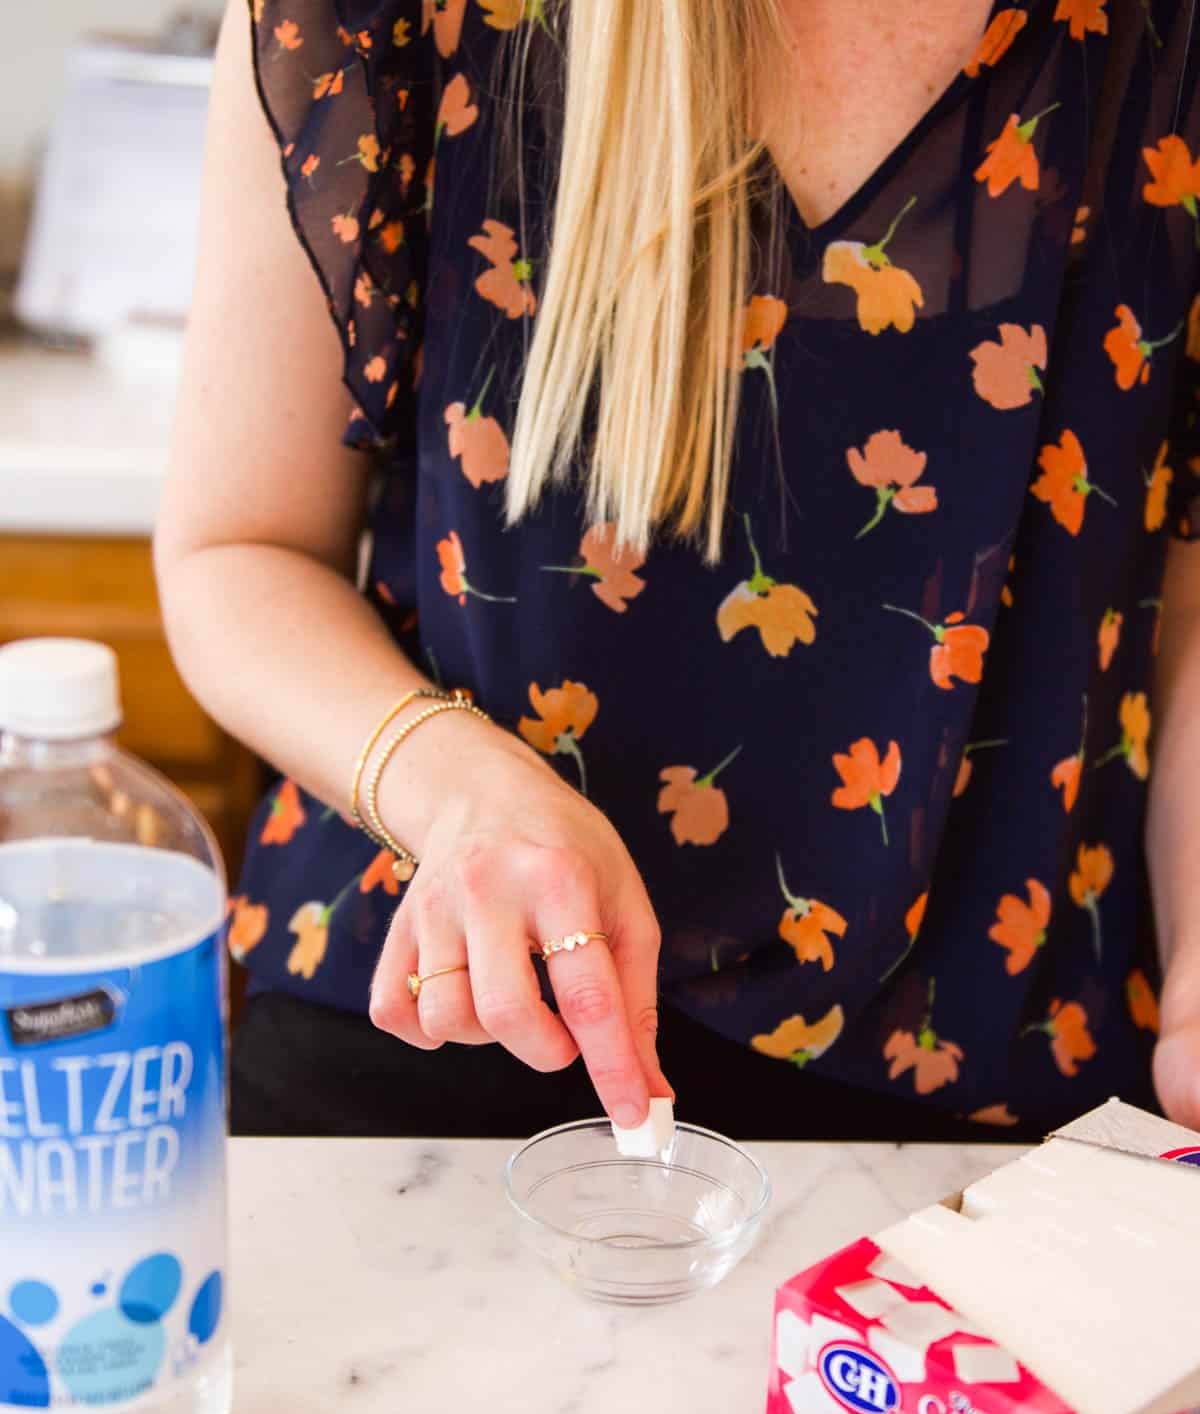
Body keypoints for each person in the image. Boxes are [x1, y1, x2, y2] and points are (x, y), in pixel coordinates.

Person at [155, 0, 1200, 1143]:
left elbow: (1178, 595)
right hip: (454, 1011)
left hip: (1003, 1074)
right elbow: (237, 553)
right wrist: (467, 796)